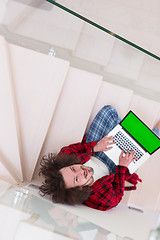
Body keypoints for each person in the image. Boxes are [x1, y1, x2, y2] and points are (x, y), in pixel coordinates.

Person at [39, 105, 160, 211]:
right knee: (151, 142)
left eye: (73, 168)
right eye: (76, 179)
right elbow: (117, 196)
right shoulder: (98, 199)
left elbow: (70, 149)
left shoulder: (64, 161)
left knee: (109, 111)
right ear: (79, 189)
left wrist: (94, 147)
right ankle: (138, 134)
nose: (81, 171)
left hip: (97, 151)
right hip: (115, 167)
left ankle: (122, 133)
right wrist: (122, 167)